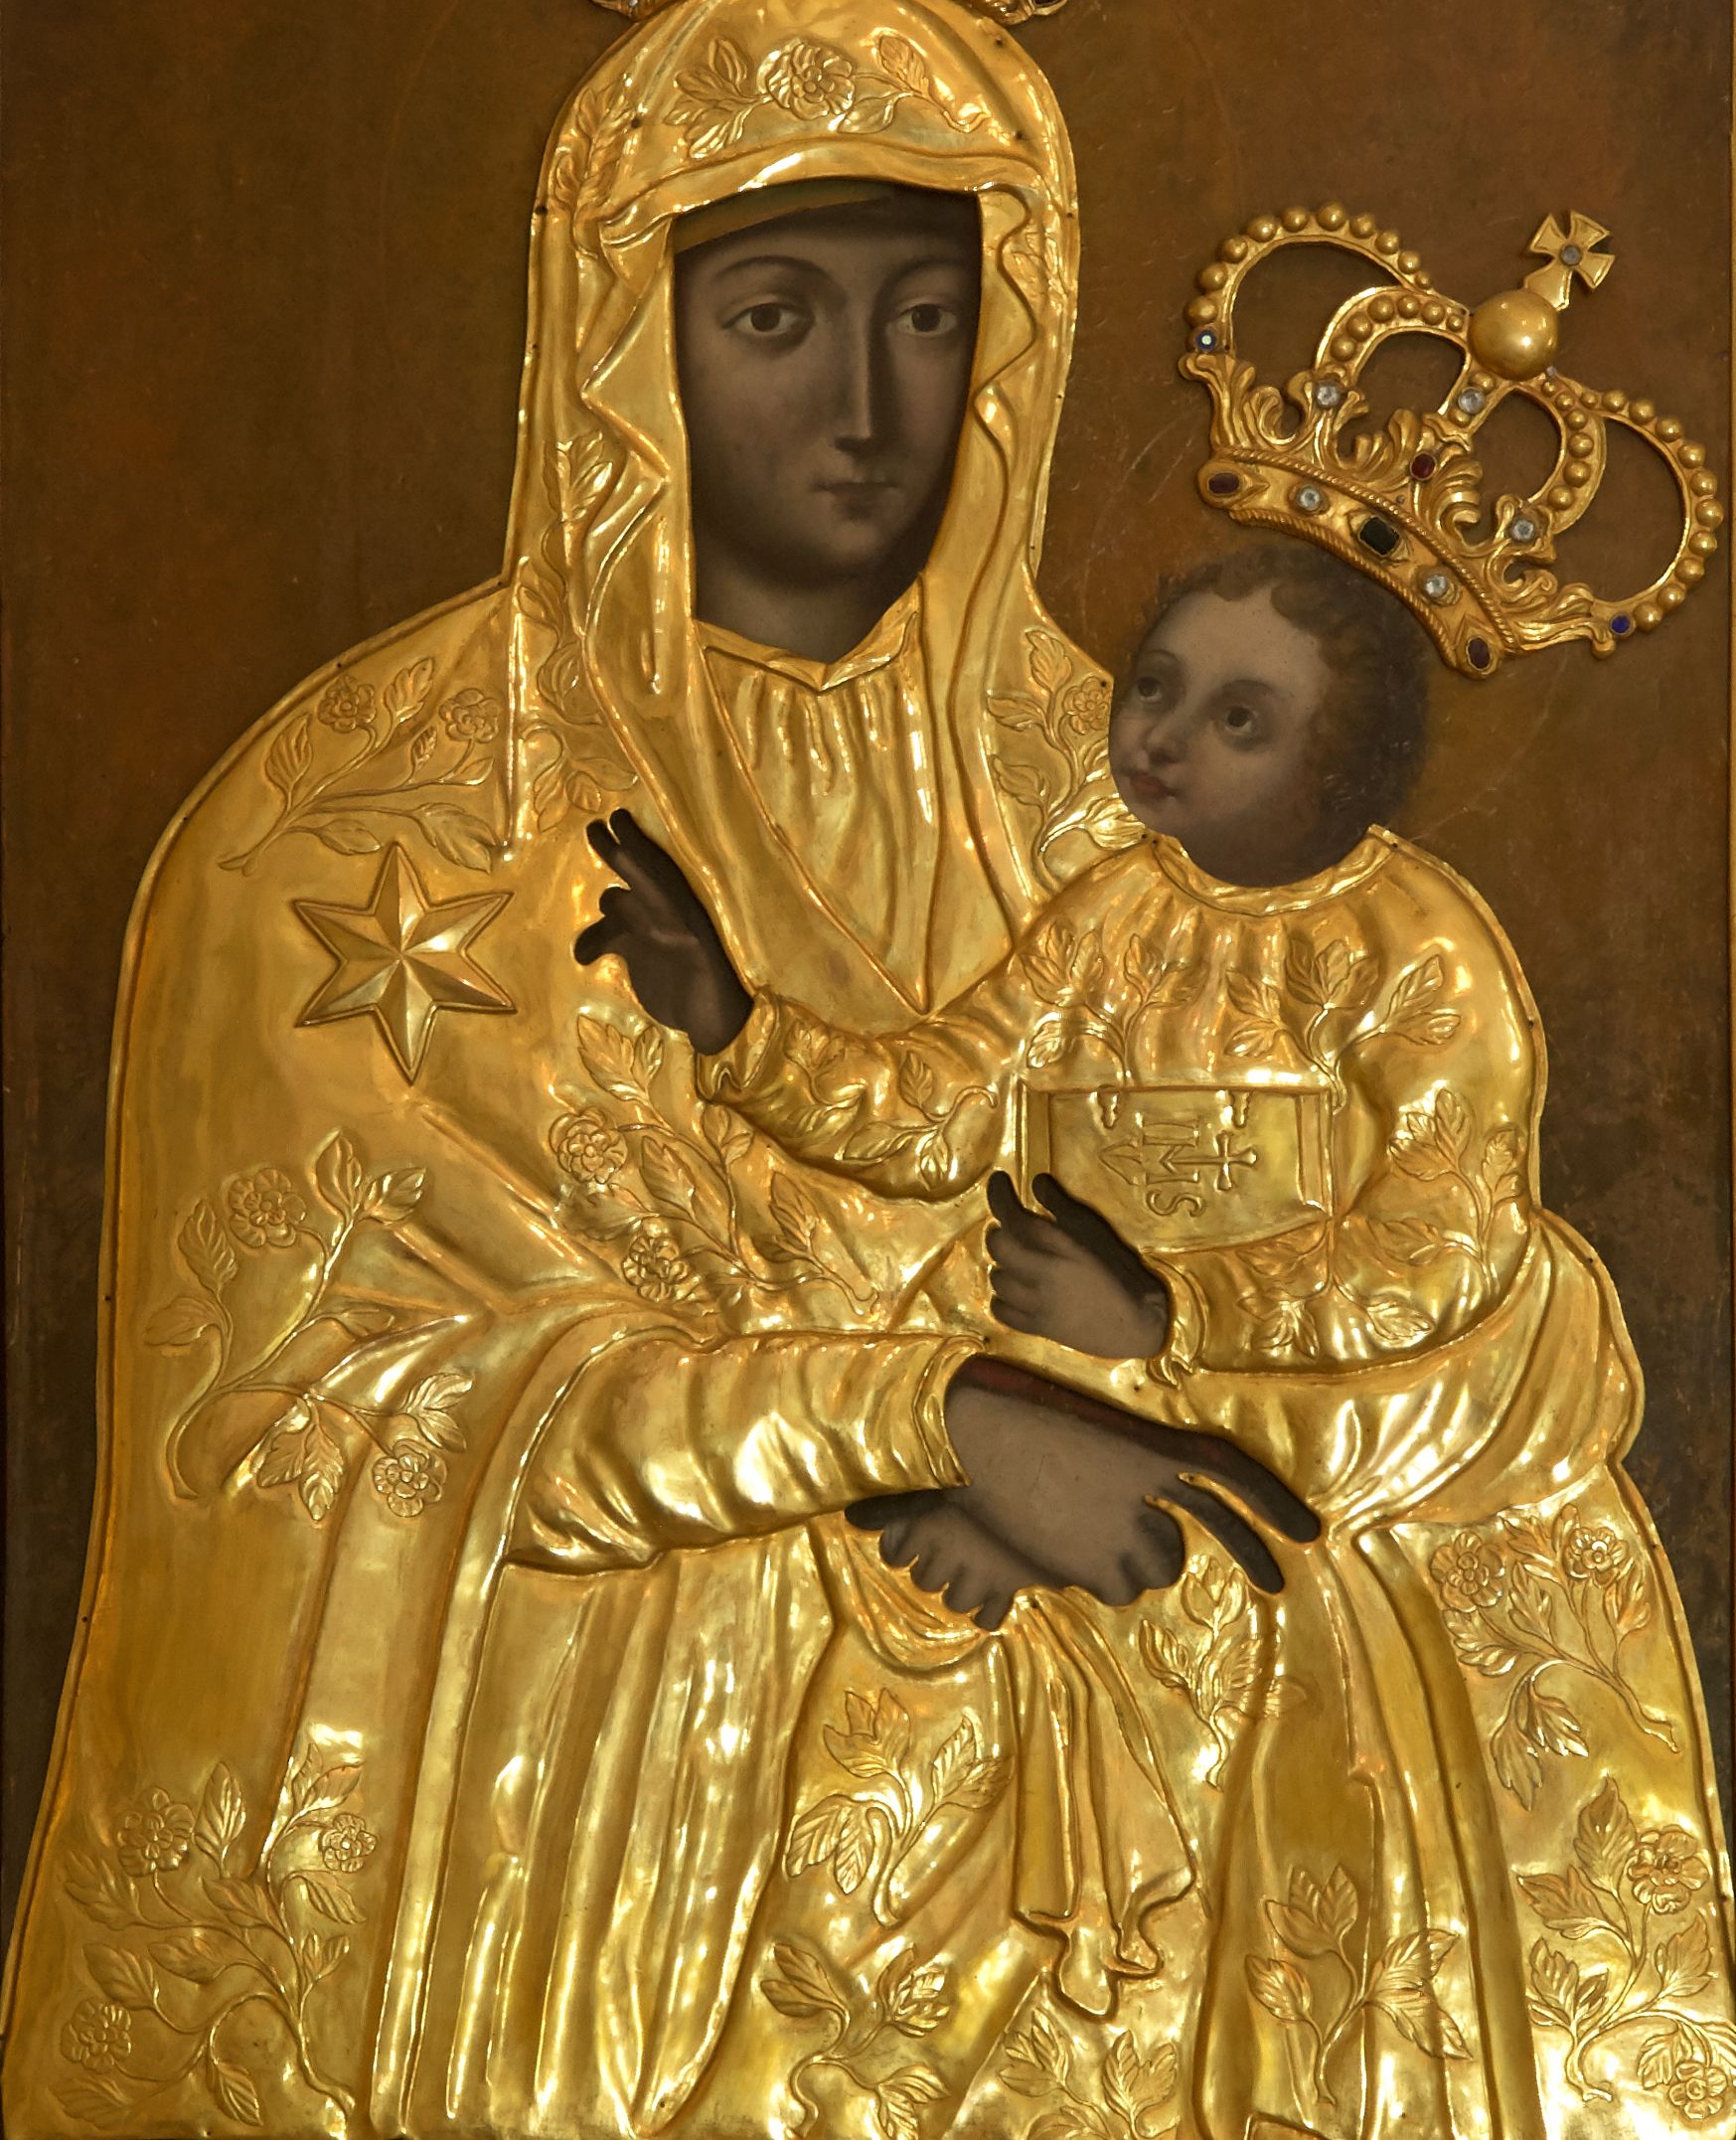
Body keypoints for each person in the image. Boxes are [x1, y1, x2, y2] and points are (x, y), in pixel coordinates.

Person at [1, 0, 1310, 2140]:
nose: (871, 407)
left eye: (929, 315)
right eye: (776, 317)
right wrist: (926, 1413)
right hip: (579, 1934)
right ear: (625, 337)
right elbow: (332, 1444)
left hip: (1062, 1937)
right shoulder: (362, 824)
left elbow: (1308, 1330)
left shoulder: (1125, 816)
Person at [585, 538, 1736, 2135]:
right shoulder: (1110, 913)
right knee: (892, 1746)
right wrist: (736, 1021)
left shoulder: (1418, 948)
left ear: (1346, 761)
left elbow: (1444, 1242)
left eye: (1240, 718)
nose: (1168, 738)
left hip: (1326, 1450)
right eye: (1157, 689)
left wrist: (1176, 1311)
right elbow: (940, 1109)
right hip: (1073, 1415)